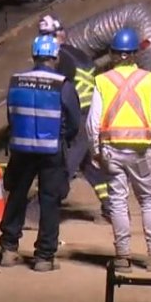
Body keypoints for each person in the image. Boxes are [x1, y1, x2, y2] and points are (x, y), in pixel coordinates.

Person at [89, 27, 151, 272]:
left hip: (112, 150)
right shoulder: (150, 79)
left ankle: (122, 257)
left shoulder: (103, 81)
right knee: (148, 201)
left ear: (113, 53)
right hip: (140, 151)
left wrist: (95, 151)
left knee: (117, 201)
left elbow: (93, 122)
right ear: (135, 53)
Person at [0, 34, 80, 272]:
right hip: (51, 151)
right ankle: (44, 257)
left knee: (16, 196)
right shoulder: (62, 85)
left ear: (34, 55)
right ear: (55, 57)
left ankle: (8, 249)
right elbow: (74, 121)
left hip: (21, 149)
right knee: (49, 202)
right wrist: (64, 137)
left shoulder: (17, 81)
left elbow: (11, 115)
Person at [37, 14, 111, 223]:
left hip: (78, 118)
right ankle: (111, 206)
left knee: (64, 165)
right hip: (89, 115)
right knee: (88, 164)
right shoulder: (78, 54)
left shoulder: (61, 58)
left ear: (60, 36)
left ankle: (43, 210)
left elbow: (60, 90)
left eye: (49, 36)